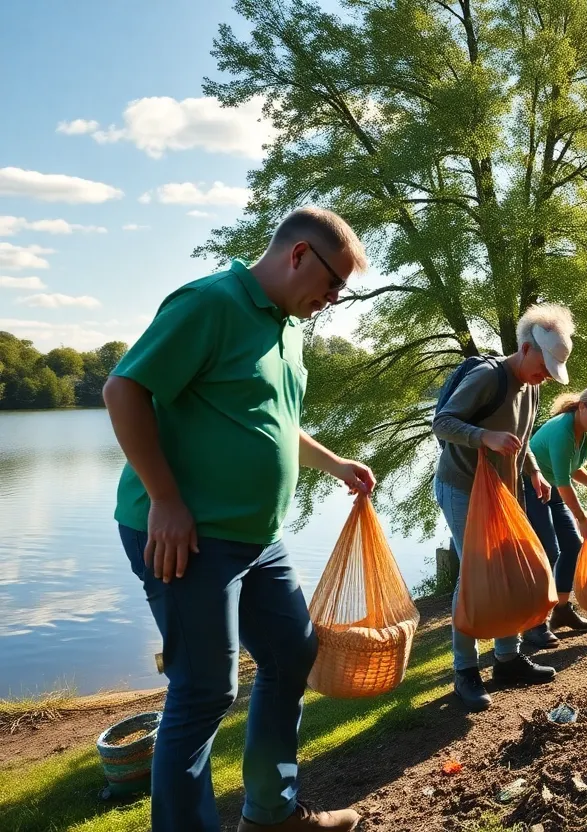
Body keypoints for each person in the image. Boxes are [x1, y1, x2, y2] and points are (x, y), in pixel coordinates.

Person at [103, 207, 375, 832]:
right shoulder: (210, 303)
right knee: (204, 691)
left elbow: (271, 420)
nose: (332, 300)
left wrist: (333, 463)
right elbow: (124, 390)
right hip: (185, 534)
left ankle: (272, 813)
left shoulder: (289, 326)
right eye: (332, 285)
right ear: (299, 255)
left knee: (292, 653)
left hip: (258, 538)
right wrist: (166, 500)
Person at [433, 303, 574, 712]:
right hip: (463, 487)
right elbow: (443, 422)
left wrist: (533, 471)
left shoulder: (532, 386)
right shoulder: (487, 376)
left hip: (506, 490)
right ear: (526, 347)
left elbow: (522, 436)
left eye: (551, 370)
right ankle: (465, 672)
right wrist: (483, 437)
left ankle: (507, 659)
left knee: (511, 569)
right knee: (477, 575)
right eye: (543, 365)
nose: (546, 375)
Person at [522, 385, 587, 650]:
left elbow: (572, 468)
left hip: (552, 488)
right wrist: (583, 519)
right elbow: (563, 482)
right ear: (582, 407)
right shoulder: (563, 430)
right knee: (547, 551)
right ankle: (534, 624)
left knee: (572, 545)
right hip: (532, 488)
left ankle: (561, 610)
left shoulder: (583, 431)